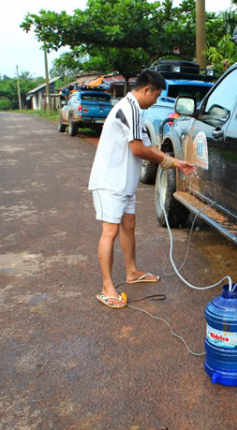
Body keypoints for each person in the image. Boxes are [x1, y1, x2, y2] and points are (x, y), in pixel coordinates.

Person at [89, 70, 195, 309]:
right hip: (109, 182)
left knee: (129, 225)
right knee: (110, 232)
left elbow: (148, 146)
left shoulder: (135, 110)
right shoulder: (128, 109)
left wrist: (176, 162)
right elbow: (138, 150)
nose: (156, 100)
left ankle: (132, 271)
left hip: (124, 183)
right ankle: (107, 287)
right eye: (156, 95)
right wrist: (169, 162)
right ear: (146, 89)